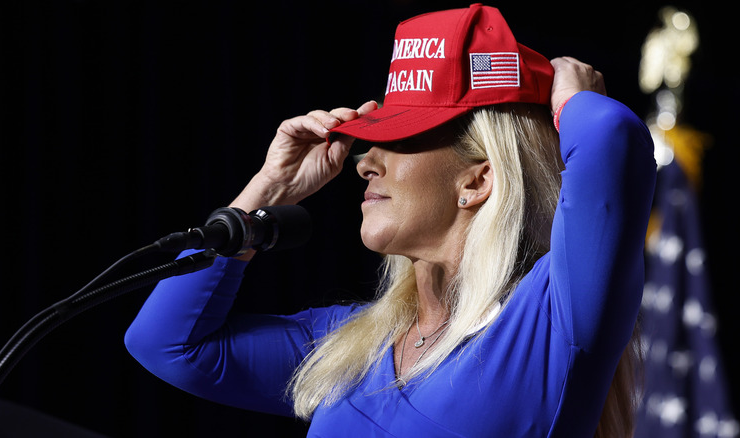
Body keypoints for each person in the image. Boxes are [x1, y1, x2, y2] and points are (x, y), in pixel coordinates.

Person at [124, 4, 656, 437]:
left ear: (477, 180)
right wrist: (270, 189)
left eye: (400, 140)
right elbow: (166, 344)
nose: (365, 161)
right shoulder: (351, 345)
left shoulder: (552, 321)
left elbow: (612, 138)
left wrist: (573, 98)